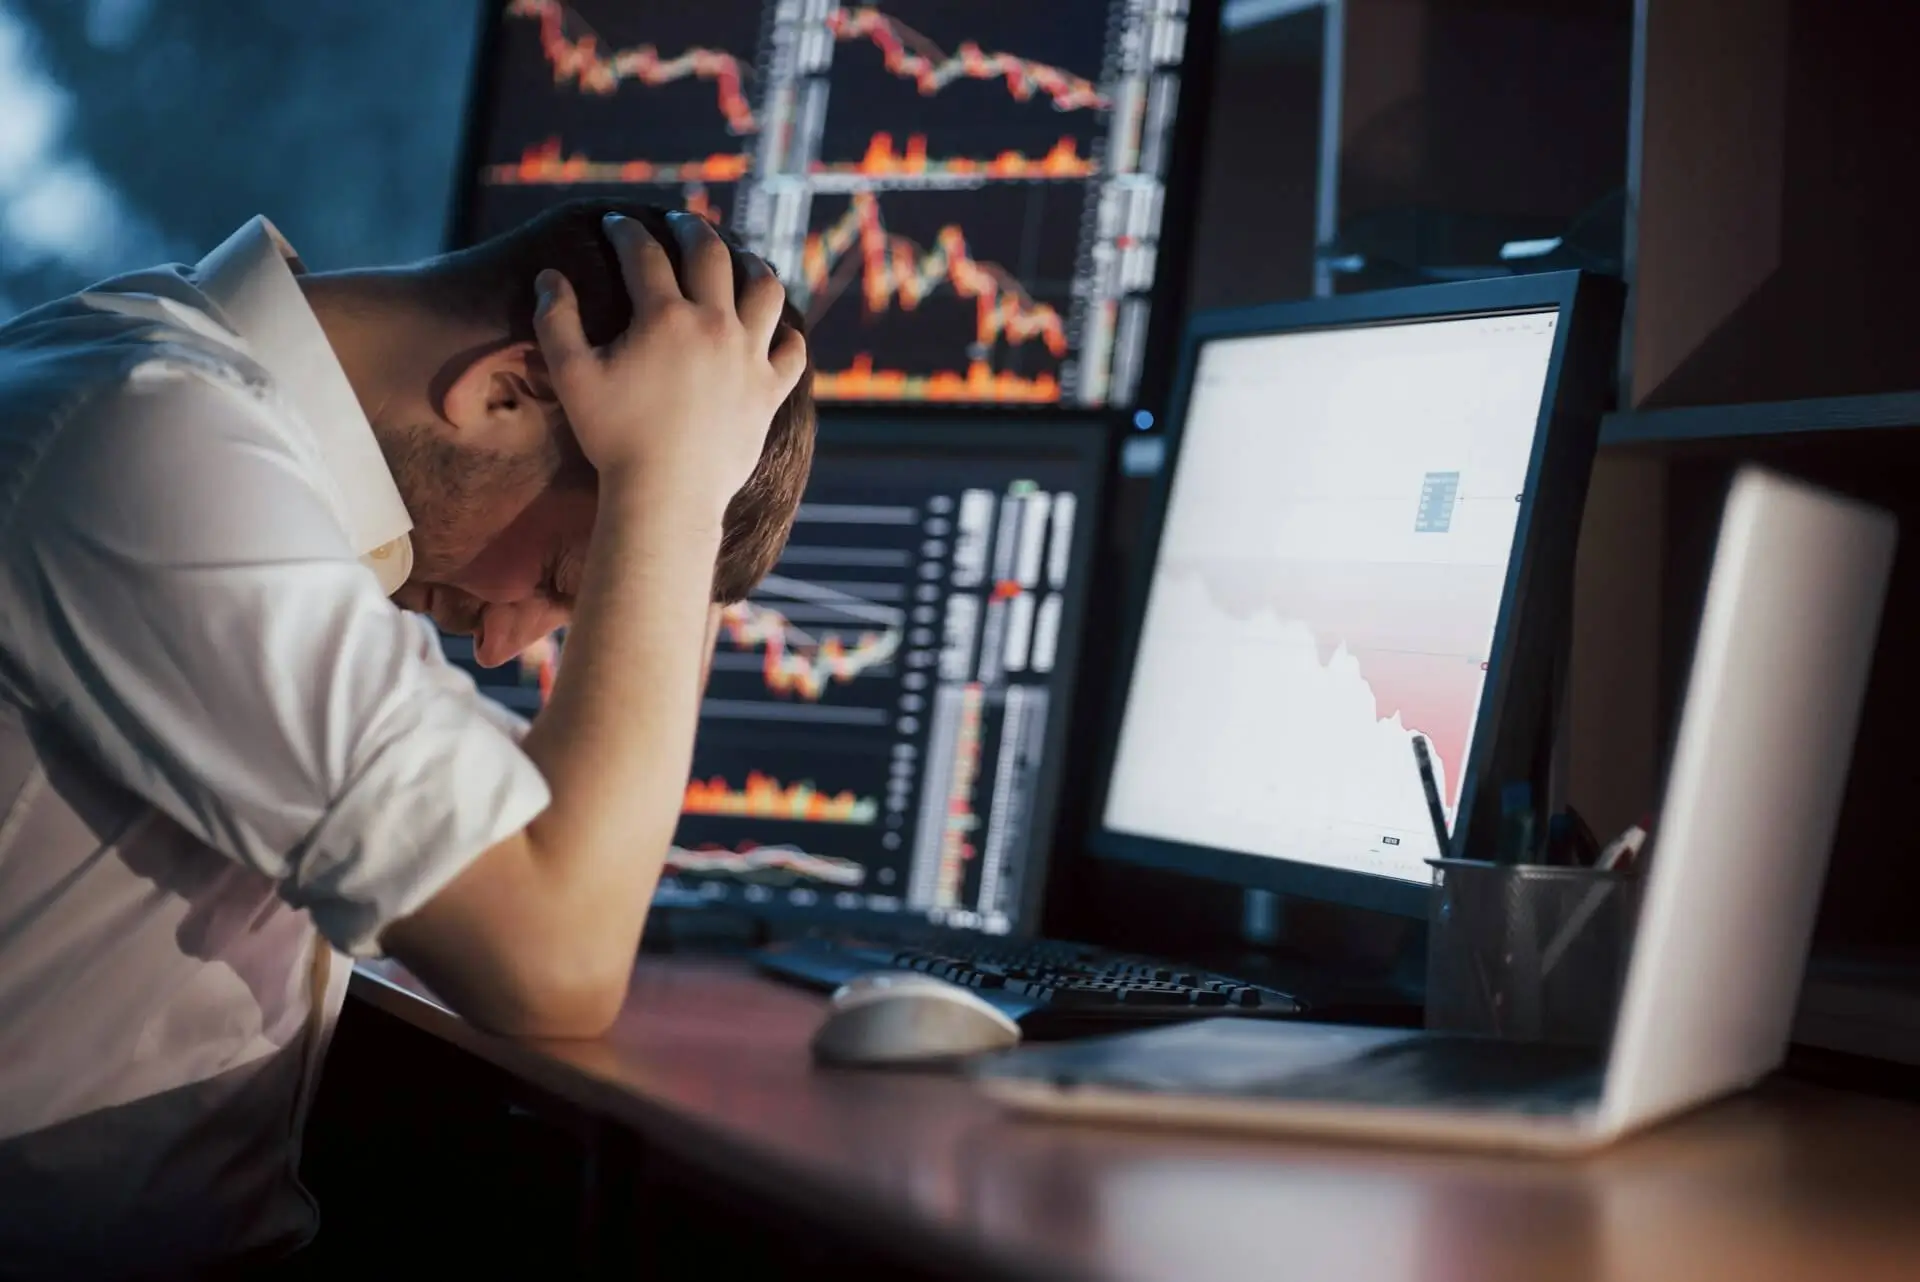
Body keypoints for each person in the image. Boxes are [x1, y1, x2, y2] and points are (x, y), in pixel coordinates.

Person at [0, 200, 814, 1279]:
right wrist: (664, 488)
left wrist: (678, 496)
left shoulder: (161, 390)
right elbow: (552, 959)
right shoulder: (154, 442)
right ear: (506, 390)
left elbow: (527, 823)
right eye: (564, 579)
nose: (506, 643)